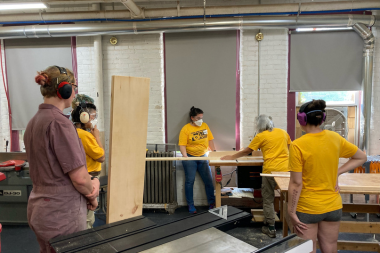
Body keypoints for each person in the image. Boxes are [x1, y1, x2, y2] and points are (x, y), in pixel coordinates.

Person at [24, 66, 100, 253]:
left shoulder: (34, 121)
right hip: (62, 212)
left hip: (40, 208)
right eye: (74, 87)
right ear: (64, 90)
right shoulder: (59, 123)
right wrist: (93, 191)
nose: (75, 92)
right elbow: (80, 178)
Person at [288, 100, 366, 253]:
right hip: (333, 206)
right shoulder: (334, 138)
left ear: (302, 120)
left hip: (308, 208)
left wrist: (291, 212)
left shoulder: (298, 145)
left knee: (306, 250)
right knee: (330, 247)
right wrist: (337, 171)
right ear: (322, 119)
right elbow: (361, 157)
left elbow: (296, 183)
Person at [221, 114, 291, 238]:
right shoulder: (283, 132)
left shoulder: (261, 136)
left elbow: (247, 151)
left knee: (268, 198)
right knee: (286, 198)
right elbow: (290, 147)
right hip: (286, 170)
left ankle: (271, 228)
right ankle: (290, 226)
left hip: (270, 170)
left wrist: (231, 157)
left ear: (259, 126)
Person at [71, 94, 105, 228]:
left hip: (81, 175)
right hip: (89, 176)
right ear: (83, 116)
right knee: (88, 217)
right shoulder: (85, 135)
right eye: (92, 116)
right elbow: (101, 157)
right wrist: (97, 137)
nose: (93, 120)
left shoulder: (74, 131)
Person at [179, 106, 216, 214]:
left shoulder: (205, 126)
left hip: (203, 156)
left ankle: (211, 203)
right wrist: (185, 156)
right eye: (198, 118)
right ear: (192, 118)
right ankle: (190, 205)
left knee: (208, 181)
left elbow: (210, 140)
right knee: (190, 181)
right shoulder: (186, 129)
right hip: (190, 157)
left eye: (201, 117)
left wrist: (214, 152)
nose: (201, 120)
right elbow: (182, 145)